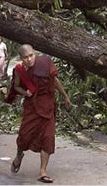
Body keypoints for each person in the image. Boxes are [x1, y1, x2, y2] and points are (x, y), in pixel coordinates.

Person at [6, 44, 71, 183]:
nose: (29, 59)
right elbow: (16, 86)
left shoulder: (45, 63)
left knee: (48, 138)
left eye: (31, 56)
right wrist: (25, 92)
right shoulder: (19, 70)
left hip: (47, 105)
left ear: (34, 53)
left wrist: (65, 96)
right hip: (32, 106)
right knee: (24, 136)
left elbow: (55, 81)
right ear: (21, 58)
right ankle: (19, 156)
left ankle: (42, 171)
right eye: (25, 57)